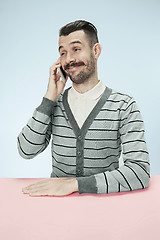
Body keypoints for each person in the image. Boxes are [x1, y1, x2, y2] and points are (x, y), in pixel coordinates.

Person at [17, 20, 150, 196]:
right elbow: (26, 150)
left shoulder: (124, 106)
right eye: (63, 52)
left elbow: (139, 172)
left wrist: (73, 185)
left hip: (106, 207)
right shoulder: (54, 104)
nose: (69, 59)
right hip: (55, 209)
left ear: (96, 51)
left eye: (76, 49)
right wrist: (49, 98)